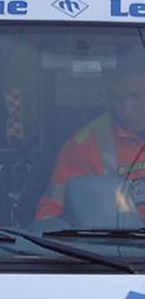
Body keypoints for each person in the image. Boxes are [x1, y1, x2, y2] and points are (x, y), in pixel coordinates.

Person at [37, 53, 145, 221]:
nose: (127, 109)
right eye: (118, 99)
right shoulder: (83, 145)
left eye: (136, 97)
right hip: (111, 243)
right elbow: (50, 215)